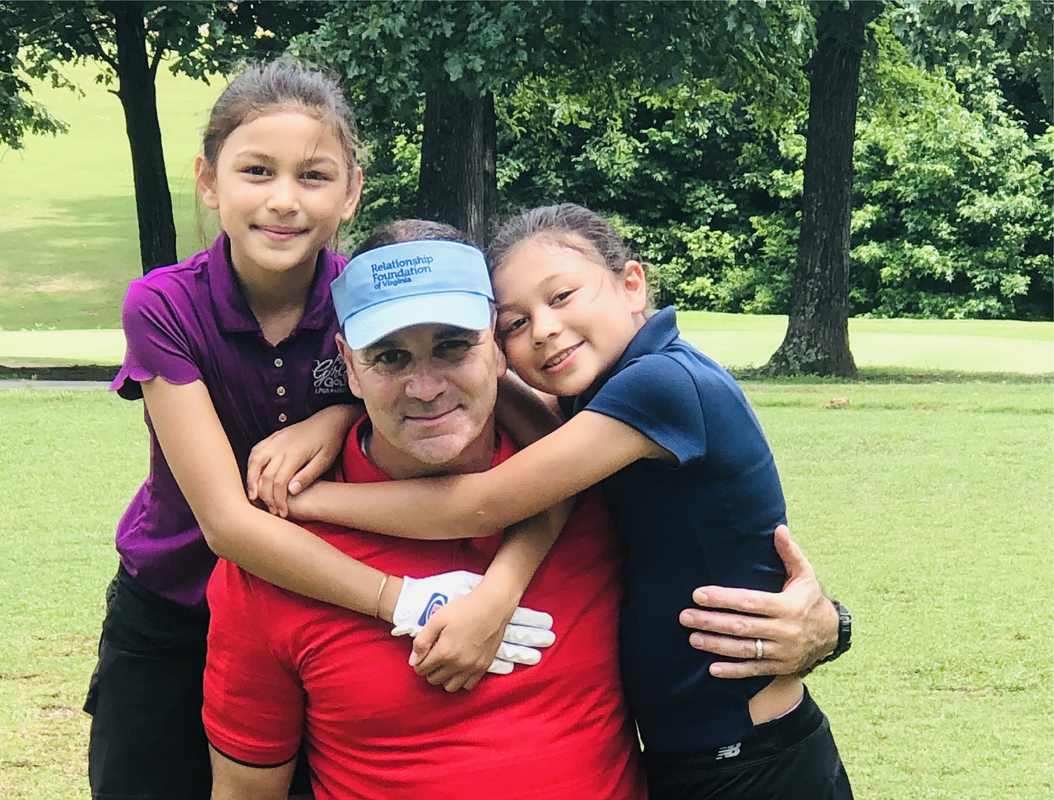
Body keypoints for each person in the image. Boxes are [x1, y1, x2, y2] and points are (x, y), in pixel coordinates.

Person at [84, 61, 561, 800]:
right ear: (209, 182)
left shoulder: (372, 301)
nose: (284, 200)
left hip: (314, 601)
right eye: (256, 171)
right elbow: (227, 524)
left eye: (313, 176)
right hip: (178, 606)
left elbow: (548, 449)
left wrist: (333, 414)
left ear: (351, 192)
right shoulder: (164, 305)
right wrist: (402, 601)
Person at [285, 204, 854, 799]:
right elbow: (461, 386)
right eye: (516, 322)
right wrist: (341, 412)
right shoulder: (601, 393)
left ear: (632, 285)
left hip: (751, 759)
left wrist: (308, 501)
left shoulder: (660, 385)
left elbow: (480, 505)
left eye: (562, 296)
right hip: (693, 753)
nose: (544, 329)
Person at [203, 221, 646, 800]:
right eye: (391, 357)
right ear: (350, 367)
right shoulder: (275, 559)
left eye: (452, 346)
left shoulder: (596, 478)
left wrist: (777, 626)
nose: (426, 387)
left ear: (497, 343)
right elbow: (245, 791)